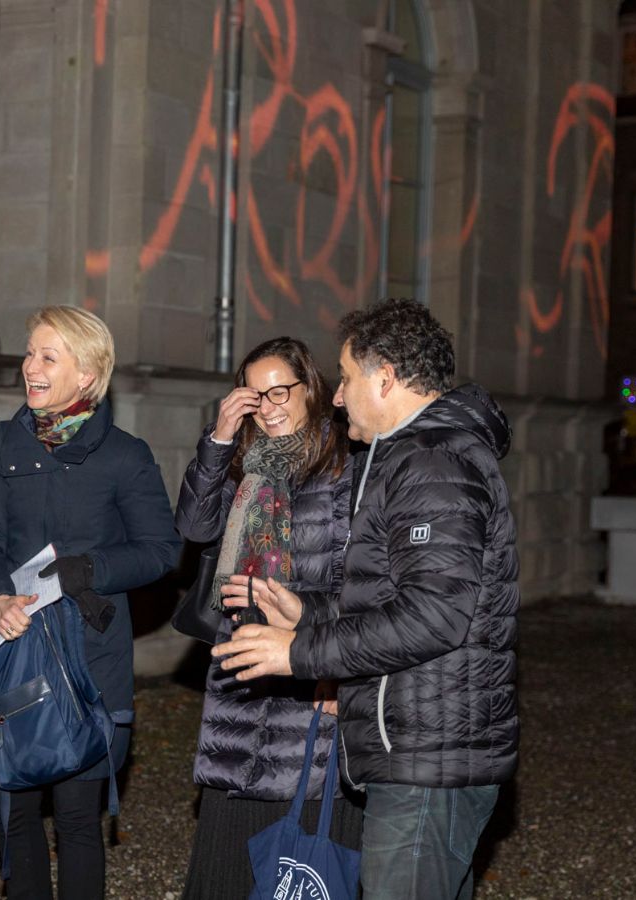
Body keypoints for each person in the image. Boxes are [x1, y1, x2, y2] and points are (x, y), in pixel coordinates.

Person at [212, 299, 519, 900]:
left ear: (385, 379)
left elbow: (433, 616)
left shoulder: (433, 462)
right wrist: (309, 613)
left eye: (347, 378)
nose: (336, 396)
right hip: (422, 744)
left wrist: (298, 653)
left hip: (428, 754)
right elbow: (399, 596)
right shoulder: (416, 456)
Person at [0, 305, 181, 900]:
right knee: (16, 817)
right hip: (13, 655)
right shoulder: (6, 441)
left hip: (90, 662)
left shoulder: (125, 455)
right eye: (30, 353)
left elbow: (162, 550)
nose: (29, 366)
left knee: (79, 821)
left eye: (47, 356)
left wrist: (92, 569)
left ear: (86, 374)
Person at [174, 336, 363, 898]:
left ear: (312, 389)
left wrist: (329, 654)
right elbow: (194, 527)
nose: (269, 406)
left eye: (281, 391)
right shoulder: (243, 464)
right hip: (240, 666)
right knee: (229, 832)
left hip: (307, 666)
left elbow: (358, 584)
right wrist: (219, 439)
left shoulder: (344, 468)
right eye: (255, 394)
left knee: (300, 827)